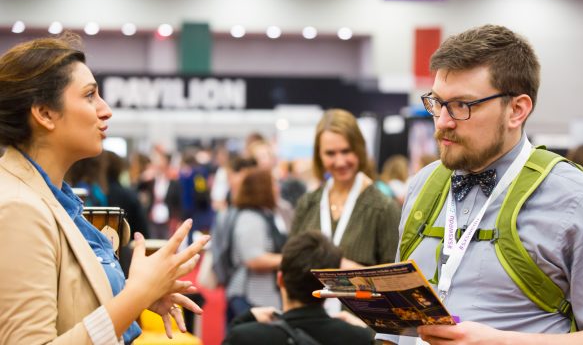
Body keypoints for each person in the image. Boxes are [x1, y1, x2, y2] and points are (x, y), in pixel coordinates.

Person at [377, 25, 583, 344]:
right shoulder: (424, 184)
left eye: (462, 106)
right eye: (437, 103)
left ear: (517, 110)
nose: (443, 121)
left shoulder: (581, 201)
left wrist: (501, 341)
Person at [0, 33, 209, 344]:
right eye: (89, 96)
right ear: (44, 113)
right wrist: (137, 295)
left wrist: (128, 291)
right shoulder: (19, 209)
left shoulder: (56, 200)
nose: (105, 109)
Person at [291, 109, 400, 269]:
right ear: (319, 156)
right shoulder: (307, 204)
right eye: (330, 153)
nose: (340, 162)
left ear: (359, 150)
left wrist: (347, 269)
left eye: (346, 151)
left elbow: (395, 281)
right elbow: (291, 268)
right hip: (308, 295)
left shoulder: (383, 208)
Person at [223, 230, 374, 345]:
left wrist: (244, 319)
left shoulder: (247, 337)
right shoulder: (358, 338)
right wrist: (368, 334)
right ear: (329, 286)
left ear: (280, 278)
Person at [225, 168, 287, 324]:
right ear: (262, 188)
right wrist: (291, 259)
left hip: (262, 294)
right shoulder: (250, 218)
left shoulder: (266, 214)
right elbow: (254, 259)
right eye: (273, 184)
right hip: (249, 295)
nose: (277, 188)